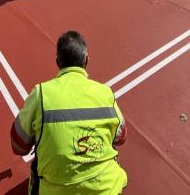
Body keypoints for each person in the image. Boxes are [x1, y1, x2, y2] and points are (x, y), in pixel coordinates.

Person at [10, 30, 128, 194]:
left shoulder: (41, 94)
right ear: (87, 60)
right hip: (107, 189)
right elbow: (121, 137)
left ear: (57, 62)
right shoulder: (105, 93)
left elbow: (19, 146)